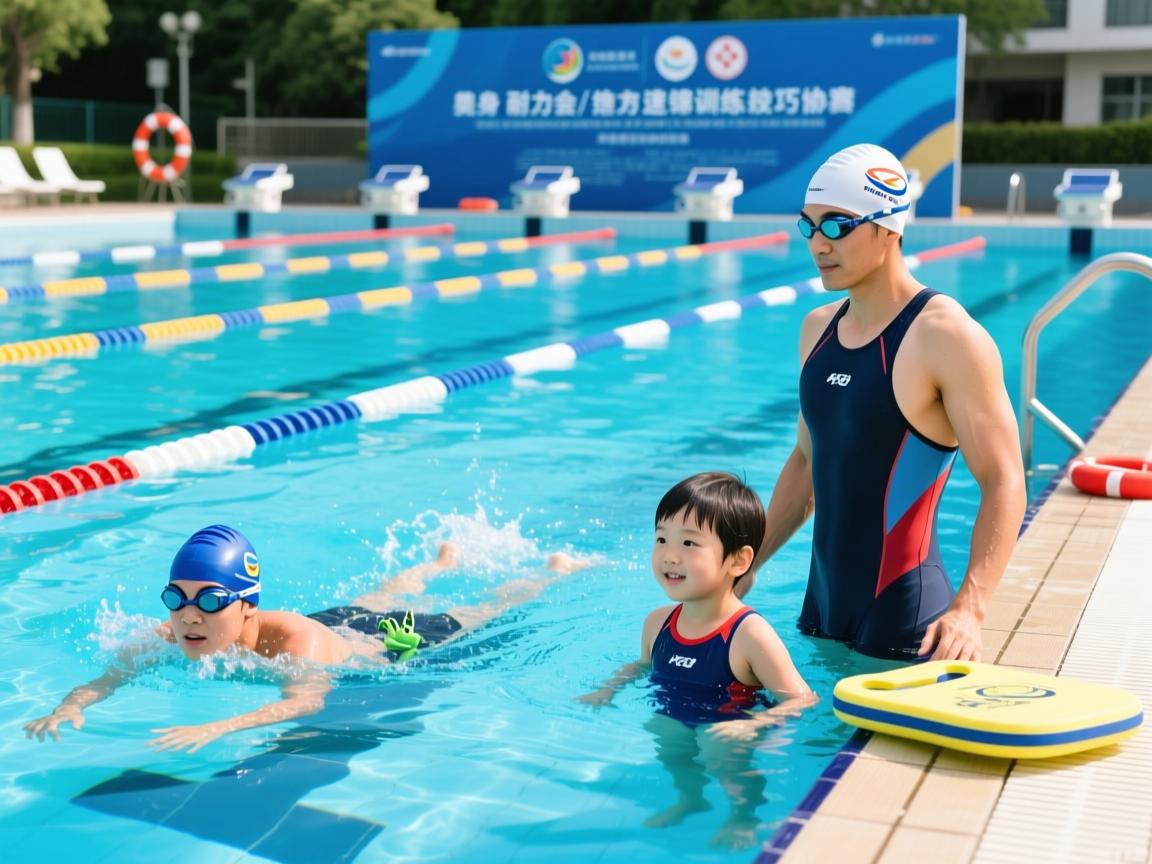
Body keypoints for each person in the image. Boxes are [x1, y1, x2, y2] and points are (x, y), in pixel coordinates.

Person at [753, 142, 1027, 662]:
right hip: (820, 610)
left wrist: (971, 608)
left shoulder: (945, 336)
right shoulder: (818, 330)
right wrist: (751, 565)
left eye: (836, 225)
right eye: (808, 226)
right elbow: (807, 463)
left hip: (907, 618)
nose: (818, 244)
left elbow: (1005, 478)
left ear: (889, 227)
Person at [24, 524, 585, 753]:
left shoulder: (296, 646)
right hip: (332, 616)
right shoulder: (173, 632)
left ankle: (551, 572)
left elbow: (308, 700)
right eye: (177, 598)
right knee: (376, 593)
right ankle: (435, 562)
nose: (189, 617)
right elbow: (110, 676)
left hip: (379, 646)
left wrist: (217, 726)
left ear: (247, 607)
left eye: (210, 601)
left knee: (474, 612)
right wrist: (67, 706)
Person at [581, 472, 815, 848]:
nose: (670, 555)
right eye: (661, 539)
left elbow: (802, 699)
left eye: (690, 542)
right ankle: (690, 799)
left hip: (729, 724)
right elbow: (643, 665)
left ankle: (744, 815)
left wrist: (755, 725)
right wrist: (607, 689)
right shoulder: (658, 623)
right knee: (668, 739)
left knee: (718, 750)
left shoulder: (749, 635)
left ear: (738, 561)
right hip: (675, 712)